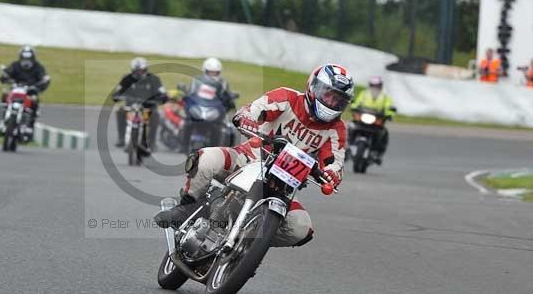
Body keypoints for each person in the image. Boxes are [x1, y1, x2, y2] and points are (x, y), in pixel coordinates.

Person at [155, 63, 354, 247]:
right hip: (248, 158)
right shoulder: (287, 97)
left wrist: (332, 174)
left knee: (301, 229)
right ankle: (186, 208)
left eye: (338, 100)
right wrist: (247, 118)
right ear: (313, 86)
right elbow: (254, 109)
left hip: (283, 187)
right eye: (328, 95)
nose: (331, 102)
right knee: (204, 159)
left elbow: (334, 162)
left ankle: (248, 242)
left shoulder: (337, 128)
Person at [179, 57, 237, 151]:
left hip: (214, 110)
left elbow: (226, 97)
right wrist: (186, 96)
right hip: (199, 108)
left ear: (219, 72)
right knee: (186, 121)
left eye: (215, 72)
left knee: (228, 127)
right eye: (210, 72)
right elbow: (190, 93)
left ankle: (222, 149)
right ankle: (183, 144)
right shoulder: (197, 81)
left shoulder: (223, 83)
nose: (212, 74)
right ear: (205, 70)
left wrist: (230, 100)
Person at [112, 57, 167, 148]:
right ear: (132, 70)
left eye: (140, 71)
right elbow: (118, 91)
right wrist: (116, 95)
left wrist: (162, 97)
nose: (138, 73)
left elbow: (162, 92)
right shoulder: (127, 78)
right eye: (136, 71)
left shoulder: (154, 79)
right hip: (130, 108)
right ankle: (121, 138)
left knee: (155, 114)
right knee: (120, 111)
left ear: (145, 70)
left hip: (147, 109)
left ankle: (152, 142)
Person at [0, 45, 50, 130]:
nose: (26, 62)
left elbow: (44, 78)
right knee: (5, 94)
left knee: (34, 100)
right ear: (20, 58)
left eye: (28, 59)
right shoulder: (15, 65)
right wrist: (5, 77)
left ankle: (30, 125)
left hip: (30, 91)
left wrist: (39, 86)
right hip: (16, 89)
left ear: (33, 59)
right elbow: (6, 74)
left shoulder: (38, 67)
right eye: (24, 59)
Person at [349, 75, 394, 162]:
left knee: (385, 133)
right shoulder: (364, 94)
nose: (375, 87)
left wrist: (389, 114)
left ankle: (379, 153)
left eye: (377, 86)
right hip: (362, 119)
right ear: (370, 85)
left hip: (376, 121)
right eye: (373, 85)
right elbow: (356, 103)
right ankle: (347, 146)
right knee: (350, 126)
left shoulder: (385, 97)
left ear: (380, 86)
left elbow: (389, 108)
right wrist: (353, 107)